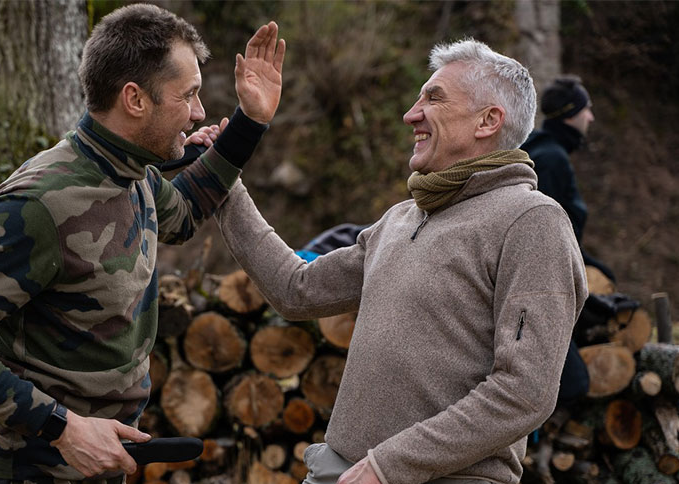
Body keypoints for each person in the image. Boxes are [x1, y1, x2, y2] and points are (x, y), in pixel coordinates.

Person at [0, 4, 285, 484]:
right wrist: (63, 429)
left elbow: (182, 215)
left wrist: (249, 123)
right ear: (135, 99)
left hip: (99, 462)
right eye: (187, 96)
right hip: (21, 470)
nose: (200, 112)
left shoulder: (131, 173)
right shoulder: (40, 203)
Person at [213, 39, 587, 484]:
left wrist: (389, 466)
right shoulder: (402, 217)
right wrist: (225, 184)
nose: (411, 114)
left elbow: (525, 393)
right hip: (342, 469)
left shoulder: (531, 221)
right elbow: (297, 289)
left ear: (488, 120)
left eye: (434, 98)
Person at [520, 75, 614, 281]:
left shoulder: (537, 147)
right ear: (571, 114)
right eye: (586, 109)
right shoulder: (552, 160)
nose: (591, 117)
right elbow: (544, 233)